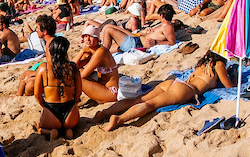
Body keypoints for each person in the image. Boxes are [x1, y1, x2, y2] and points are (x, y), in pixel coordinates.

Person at [96, 49, 233, 132]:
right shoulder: (219, 64)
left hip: (173, 83)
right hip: (186, 89)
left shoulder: (203, 63)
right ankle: (119, 119)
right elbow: (229, 86)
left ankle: (104, 113)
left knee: (139, 99)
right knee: (152, 104)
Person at [34, 36, 82, 140]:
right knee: (69, 126)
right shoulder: (73, 67)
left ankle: (51, 131)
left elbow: (37, 94)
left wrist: (45, 107)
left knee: (39, 126)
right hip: (70, 113)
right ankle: (68, 130)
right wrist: (73, 103)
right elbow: (78, 93)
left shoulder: (43, 68)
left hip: (51, 111)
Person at [88, 3, 178, 54]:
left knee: (108, 29)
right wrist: (146, 31)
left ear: (161, 15)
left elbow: (172, 42)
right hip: (136, 40)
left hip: (136, 43)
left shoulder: (167, 25)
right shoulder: (164, 25)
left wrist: (156, 42)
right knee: (105, 47)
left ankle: (103, 56)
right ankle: (99, 53)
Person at [76, 24, 121, 104]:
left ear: (97, 39)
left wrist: (82, 53)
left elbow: (82, 75)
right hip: (103, 87)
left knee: (78, 77)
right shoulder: (92, 51)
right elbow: (72, 67)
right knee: (76, 72)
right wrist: (81, 52)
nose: (88, 39)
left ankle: (73, 101)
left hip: (112, 92)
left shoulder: (101, 52)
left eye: (91, 36)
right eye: (85, 36)